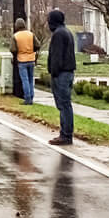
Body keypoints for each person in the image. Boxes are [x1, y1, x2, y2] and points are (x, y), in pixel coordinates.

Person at [46, 9, 76, 145]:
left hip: (61, 73)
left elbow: (57, 55)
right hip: (68, 72)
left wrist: (54, 72)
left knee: (63, 104)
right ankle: (66, 133)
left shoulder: (58, 34)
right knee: (66, 104)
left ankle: (66, 135)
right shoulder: (67, 32)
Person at [10, 18, 40, 105]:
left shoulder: (15, 36)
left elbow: (13, 49)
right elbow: (38, 45)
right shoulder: (31, 34)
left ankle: (27, 98)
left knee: (25, 80)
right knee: (31, 79)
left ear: (17, 25)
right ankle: (31, 96)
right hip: (31, 59)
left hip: (21, 60)